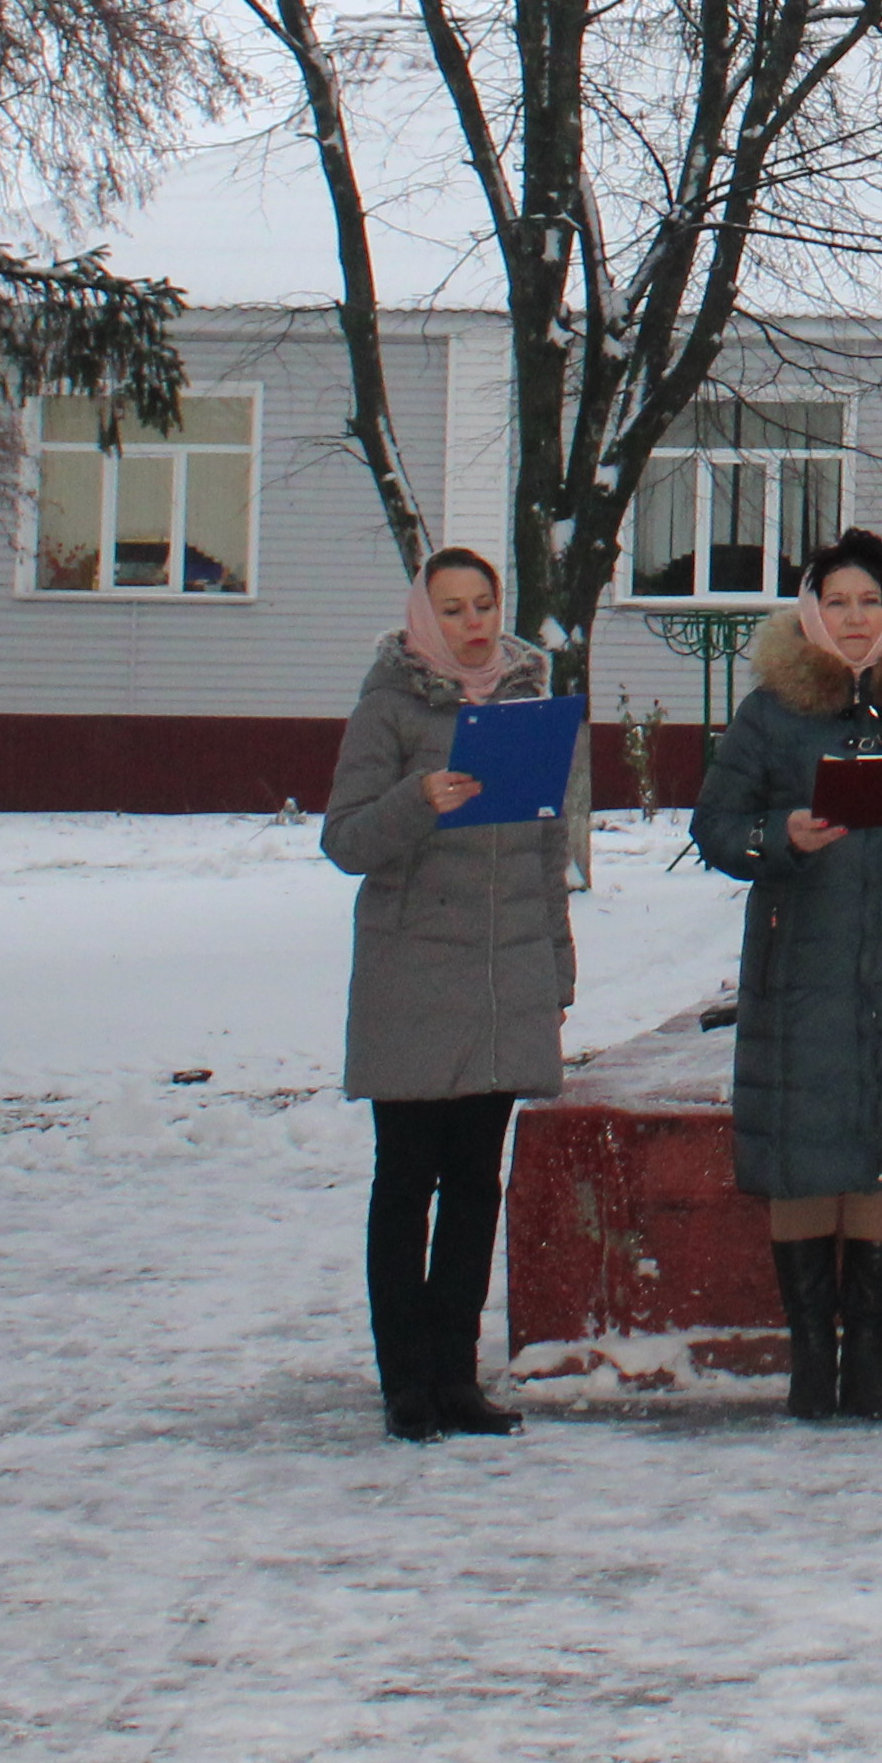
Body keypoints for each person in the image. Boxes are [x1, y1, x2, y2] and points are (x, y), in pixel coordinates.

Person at [688, 532, 882, 1423]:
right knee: (804, 1155)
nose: (858, 619)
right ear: (811, 612)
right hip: (804, 965)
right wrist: (778, 835)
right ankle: (809, 1362)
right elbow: (715, 825)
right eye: (839, 602)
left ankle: (867, 1359)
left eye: (871, 601)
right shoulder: (770, 713)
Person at [320, 548, 577, 1439]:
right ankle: (406, 1381)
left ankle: (458, 1377)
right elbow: (346, 840)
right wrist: (417, 799)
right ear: (426, 617)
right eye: (454, 609)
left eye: (484, 606)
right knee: (407, 1182)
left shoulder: (529, 706)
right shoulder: (389, 707)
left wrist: (558, 966)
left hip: (504, 974)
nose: (472, 625)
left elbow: (549, 851)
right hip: (413, 975)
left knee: (475, 1184)